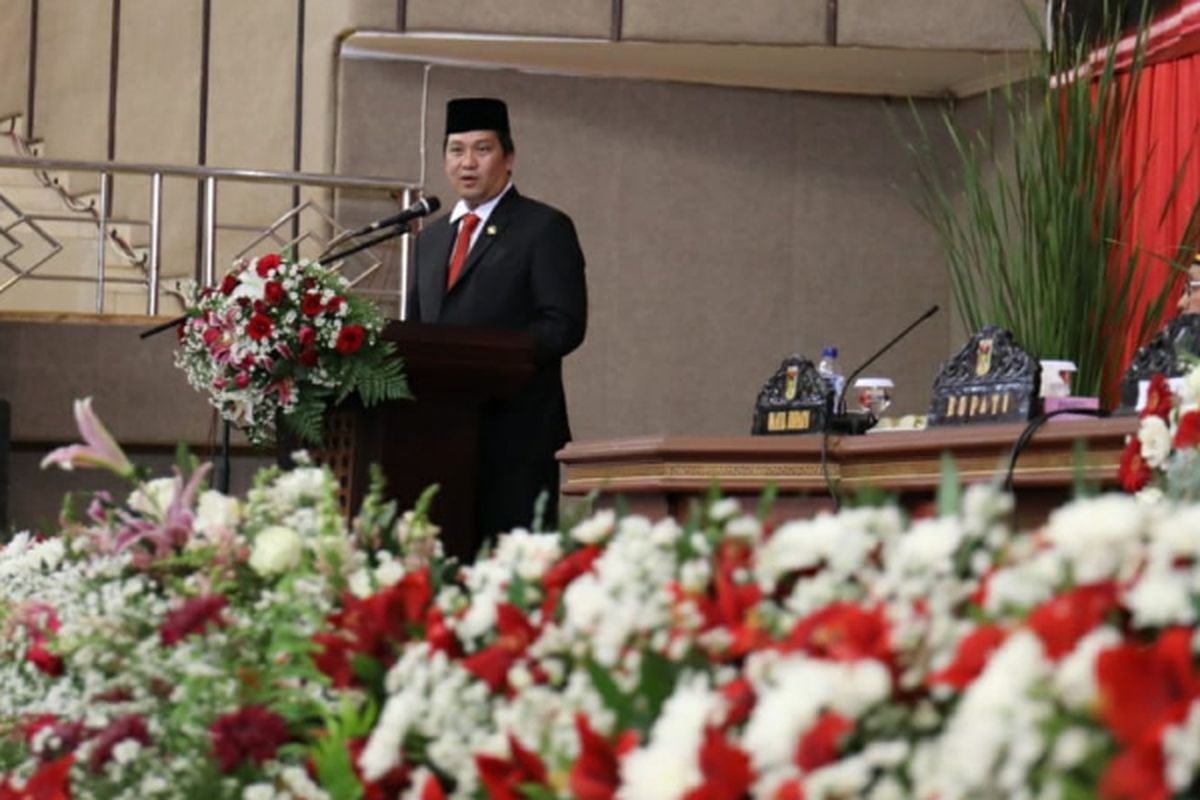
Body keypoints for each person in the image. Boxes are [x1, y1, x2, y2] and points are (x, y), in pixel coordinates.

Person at [407, 97, 588, 552]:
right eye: (456, 150)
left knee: (511, 577)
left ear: (509, 158)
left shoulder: (543, 227)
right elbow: (414, 330)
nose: (467, 163)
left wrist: (490, 361)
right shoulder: (429, 241)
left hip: (515, 438)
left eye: (482, 149)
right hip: (440, 437)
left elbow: (564, 324)